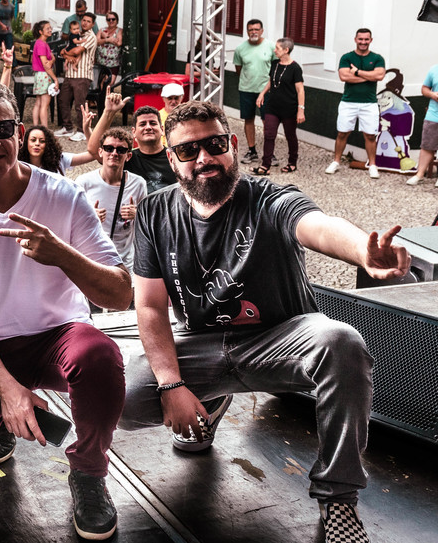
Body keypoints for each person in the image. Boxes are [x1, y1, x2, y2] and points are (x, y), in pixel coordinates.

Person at [122, 100, 410, 543]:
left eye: (215, 144)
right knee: (122, 402)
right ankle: (210, 401)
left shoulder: (270, 199)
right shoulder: (155, 211)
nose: (204, 158)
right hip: (202, 343)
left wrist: (361, 250)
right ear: (172, 160)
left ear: (233, 146)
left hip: (280, 339)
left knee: (342, 340)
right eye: (188, 150)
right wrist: (171, 384)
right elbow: (149, 307)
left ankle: (338, 497)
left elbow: (318, 226)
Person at [0, 80, 131, 541]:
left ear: (19, 132)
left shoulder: (63, 195)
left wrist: (62, 254)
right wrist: (7, 389)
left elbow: (121, 295)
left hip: (61, 335)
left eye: (1, 130)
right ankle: (1, 419)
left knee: (100, 356)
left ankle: (89, 473)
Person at [75, 126, 147, 270]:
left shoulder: (138, 184)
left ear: (128, 156)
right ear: (100, 152)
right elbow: (71, 222)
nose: (114, 153)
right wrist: (89, 216)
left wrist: (137, 214)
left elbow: (148, 224)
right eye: (109, 148)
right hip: (92, 259)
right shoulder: (84, 182)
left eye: (120, 150)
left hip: (124, 262)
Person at [89, 93, 177, 194]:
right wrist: (108, 112)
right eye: (142, 124)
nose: (148, 127)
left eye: (153, 123)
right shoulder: (125, 157)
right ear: (134, 132)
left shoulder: (174, 157)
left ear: (162, 129)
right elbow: (94, 150)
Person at [326, 29, 385, 178]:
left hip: (369, 103)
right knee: (342, 133)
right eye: (360, 39)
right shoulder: (347, 57)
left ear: (371, 40)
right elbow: (344, 76)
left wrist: (357, 72)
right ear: (355, 39)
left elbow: (379, 75)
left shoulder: (377, 58)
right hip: (348, 102)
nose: (363, 42)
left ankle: (372, 165)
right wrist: (369, 76)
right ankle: (336, 161)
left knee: (370, 135)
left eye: (366, 39)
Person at [255, 37, 306, 175]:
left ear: (286, 50)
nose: (274, 50)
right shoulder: (275, 64)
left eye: (277, 48)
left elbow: (300, 90)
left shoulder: (295, 68)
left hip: (289, 108)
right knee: (269, 135)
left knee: (290, 136)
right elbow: (271, 81)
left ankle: (292, 163)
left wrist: (301, 110)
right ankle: (265, 166)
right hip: (272, 106)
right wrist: (262, 93)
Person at [232, 19, 277, 164]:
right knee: (248, 119)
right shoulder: (240, 49)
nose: (254, 32)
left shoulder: (271, 46)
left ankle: (269, 153)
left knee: (268, 121)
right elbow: (238, 69)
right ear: (247, 31)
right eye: (251, 30)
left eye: (256, 29)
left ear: (262, 31)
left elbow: (276, 68)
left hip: (266, 90)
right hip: (246, 89)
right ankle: (252, 151)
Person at [57, 14, 96, 141]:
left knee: (80, 105)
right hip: (70, 74)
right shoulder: (77, 34)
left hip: (82, 75)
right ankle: (67, 128)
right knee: (63, 100)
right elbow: (63, 51)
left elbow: (76, 51)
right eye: (83, 20)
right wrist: (66, 54)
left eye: (88, 21)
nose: (85, 23)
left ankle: (82, 131)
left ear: (93, 24)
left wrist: (66, 53)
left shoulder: (90, 37)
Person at [406, 57, 438, 186]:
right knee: (427, 146)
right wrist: (433, 95)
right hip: (433, 115)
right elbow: (424, 89)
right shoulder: (434, 69)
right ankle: (419, 175)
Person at [21, 124, 95, 176]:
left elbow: (93, 154)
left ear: (48, 144)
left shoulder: (59, 159)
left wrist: (87, 129)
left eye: (42, 141)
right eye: (33, 140)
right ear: (26, 142)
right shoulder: (18, 165)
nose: (37, 144)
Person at [30, 20, 57, 129]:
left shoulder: (40, 43)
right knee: (44, 105)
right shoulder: (42, 44)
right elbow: (46, 65)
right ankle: (44, 130)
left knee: (38, 103)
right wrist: (55, 79)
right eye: (47, 28)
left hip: (39, 75)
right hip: (44, 75)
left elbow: (51, 58)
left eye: (50, 28)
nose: (50, 30)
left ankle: (36, 128)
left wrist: (51, 60)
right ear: (41, 31)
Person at [95, 12, 123, 90]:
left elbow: (119, 43)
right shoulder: (102, 30)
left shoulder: (119, 31)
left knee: (110, 84)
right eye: (109, 19)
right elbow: (96, 42)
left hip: (113, 63)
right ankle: (102, 97)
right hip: (101, 62)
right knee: (101, 83)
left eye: (113, 19)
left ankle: (107, 96)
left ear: (117, 20)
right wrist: (108, 39)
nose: (111, 21)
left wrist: (105, 38)